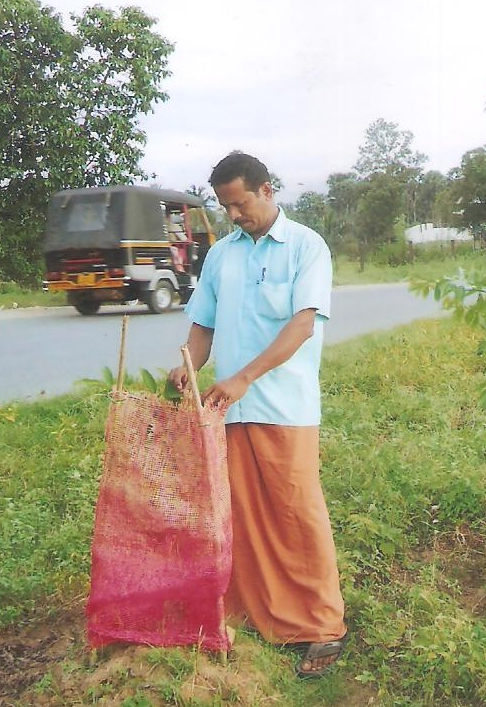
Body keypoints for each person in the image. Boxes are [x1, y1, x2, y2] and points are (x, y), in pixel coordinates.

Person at [168, 151, 347, 678]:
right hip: (227, 410)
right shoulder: (221, 255)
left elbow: (302, 325)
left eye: (240, 203)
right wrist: (189, 367)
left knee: (296, 514)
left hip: (285, 407)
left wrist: (246, 376)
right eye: (226, 207)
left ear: (267, 191)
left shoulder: (306, 247)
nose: (234, 215)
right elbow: (203, 324)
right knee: (239, 516)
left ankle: (321, 626)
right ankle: (252, 615)